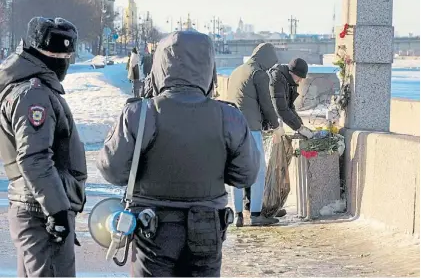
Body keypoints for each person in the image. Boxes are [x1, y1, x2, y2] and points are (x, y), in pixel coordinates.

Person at [96, 31, 260, 277]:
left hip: (152, 227)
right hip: (207, 226)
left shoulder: (142, 113)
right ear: (209, 68)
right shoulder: (228, 117)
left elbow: (111, 169)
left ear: (160, 66)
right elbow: (245, 175)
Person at [0, 17, 87, 277]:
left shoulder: (33, 88)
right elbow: (34, 157)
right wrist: (57, 210)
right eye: (60, 54)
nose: (65, 62)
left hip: (37, 206)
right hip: (41, 211)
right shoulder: (33, 94)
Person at [225, 43, 284, 227]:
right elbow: (266, 103)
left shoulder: (236, 72)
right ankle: (257, 215)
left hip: (231, 126)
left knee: (236, 168)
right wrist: (276, 126)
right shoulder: (258, 74)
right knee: (258, 169)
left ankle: (238, 215)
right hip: (250, 128)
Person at [268, 58, 314, 139]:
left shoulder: (291, 82)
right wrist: (299, 127)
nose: (300, 80)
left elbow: (290, 107)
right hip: (261, 122)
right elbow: (281, 108)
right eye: (299, 77)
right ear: (291, 72)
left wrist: (301, 125)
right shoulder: (277, 78)